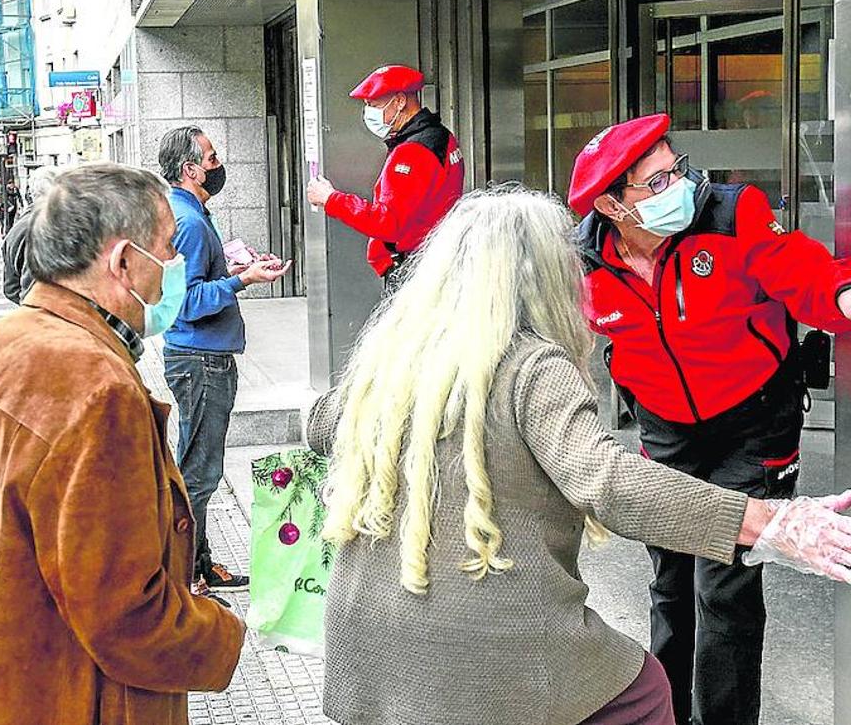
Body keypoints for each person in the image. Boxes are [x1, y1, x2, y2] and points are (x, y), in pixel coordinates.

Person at [306, 185, 851, 725]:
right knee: (645, 691)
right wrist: (768, 520)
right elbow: (606, 480)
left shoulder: (395, 360)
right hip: (487, 658)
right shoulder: (531, 366)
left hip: (361, 654)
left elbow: (319, 424)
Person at [0, 162, 245, 725]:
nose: (176, 264)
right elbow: (125, 614)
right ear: (123, 262)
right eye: (168, 247)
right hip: (71, 697)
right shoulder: (98, 389)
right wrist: (224, 633)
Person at [567, 113, 851, 725]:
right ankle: (665, 712)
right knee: (670, 583)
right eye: (657, 182)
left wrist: (842, 294)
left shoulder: (731, 214)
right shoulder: (582, 263)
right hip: (665, 432)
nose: (681, 186)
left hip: (754, 425)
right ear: (612, 206)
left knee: (725, 587)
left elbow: (802, 272)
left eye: (676, 168)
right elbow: (553, 337)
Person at [158, 126, 290, 604]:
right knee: (199, 473)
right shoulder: (190, 222)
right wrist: (242, 281)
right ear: (190, 169)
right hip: (200, 362)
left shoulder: (187, 212)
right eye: (211, 158)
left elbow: (193, 282)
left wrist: (235, 271)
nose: (218, 165)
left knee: (199, 468)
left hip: (201, 359)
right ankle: (187, 577)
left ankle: (199, 564)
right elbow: (187, 301)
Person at [305, 64, 465, 295]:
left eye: (373, 105)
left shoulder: (412, 151)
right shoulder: (442, 136)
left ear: (399, 101)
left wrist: (331, 199)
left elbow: (387, 223)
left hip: (413, 266)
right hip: (435, 257)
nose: (368, 113)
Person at [3, 165, 61, 305]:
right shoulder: (52, 226)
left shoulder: (17, 228)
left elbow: (10, 288)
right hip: (51, 308)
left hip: (32, 308)